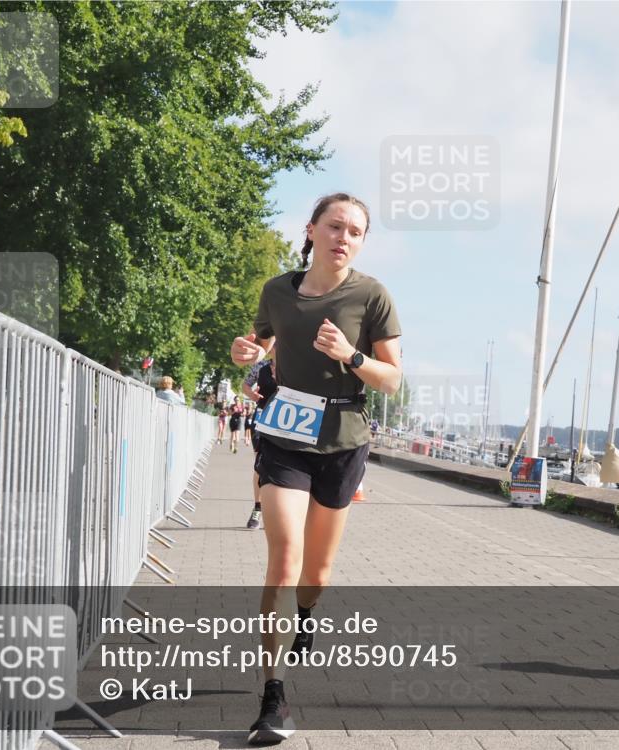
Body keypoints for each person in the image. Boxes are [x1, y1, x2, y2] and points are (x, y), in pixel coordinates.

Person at [230, 193, 401, 745]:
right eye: (335, 226)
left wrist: (350, 356)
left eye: (355, 231)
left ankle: (307, 613)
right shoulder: (278, 290)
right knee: (284, 559)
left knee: (316, 576)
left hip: (344, 440)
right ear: (312, 229)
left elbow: (392, 380)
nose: (344, 237)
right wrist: (247, 354)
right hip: (285, 435)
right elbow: (261, 347)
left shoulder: (372, 296)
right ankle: (272, 698)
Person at [242, 354, 278, 530]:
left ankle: (278, 511)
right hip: (263, 417)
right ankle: (258, 508)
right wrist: (251, 394)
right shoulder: (261, 366)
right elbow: (245, 385)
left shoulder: (295, 363)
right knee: (260, 463)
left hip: (287, 420)